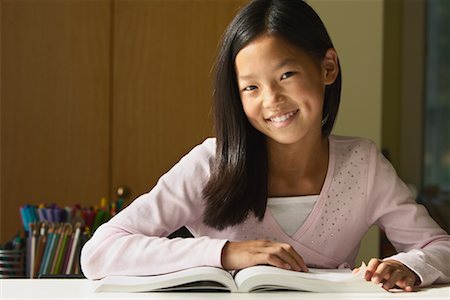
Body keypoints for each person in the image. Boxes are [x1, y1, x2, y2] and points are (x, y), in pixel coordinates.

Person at [80, 0, 450, 292]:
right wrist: (227, 253)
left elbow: (440, 247)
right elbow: (99, 251)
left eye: (286, 75)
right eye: (251, 87)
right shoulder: (210, 164)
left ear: (328, 68)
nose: (272, 99)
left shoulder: (363, 165)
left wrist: (412, 267)